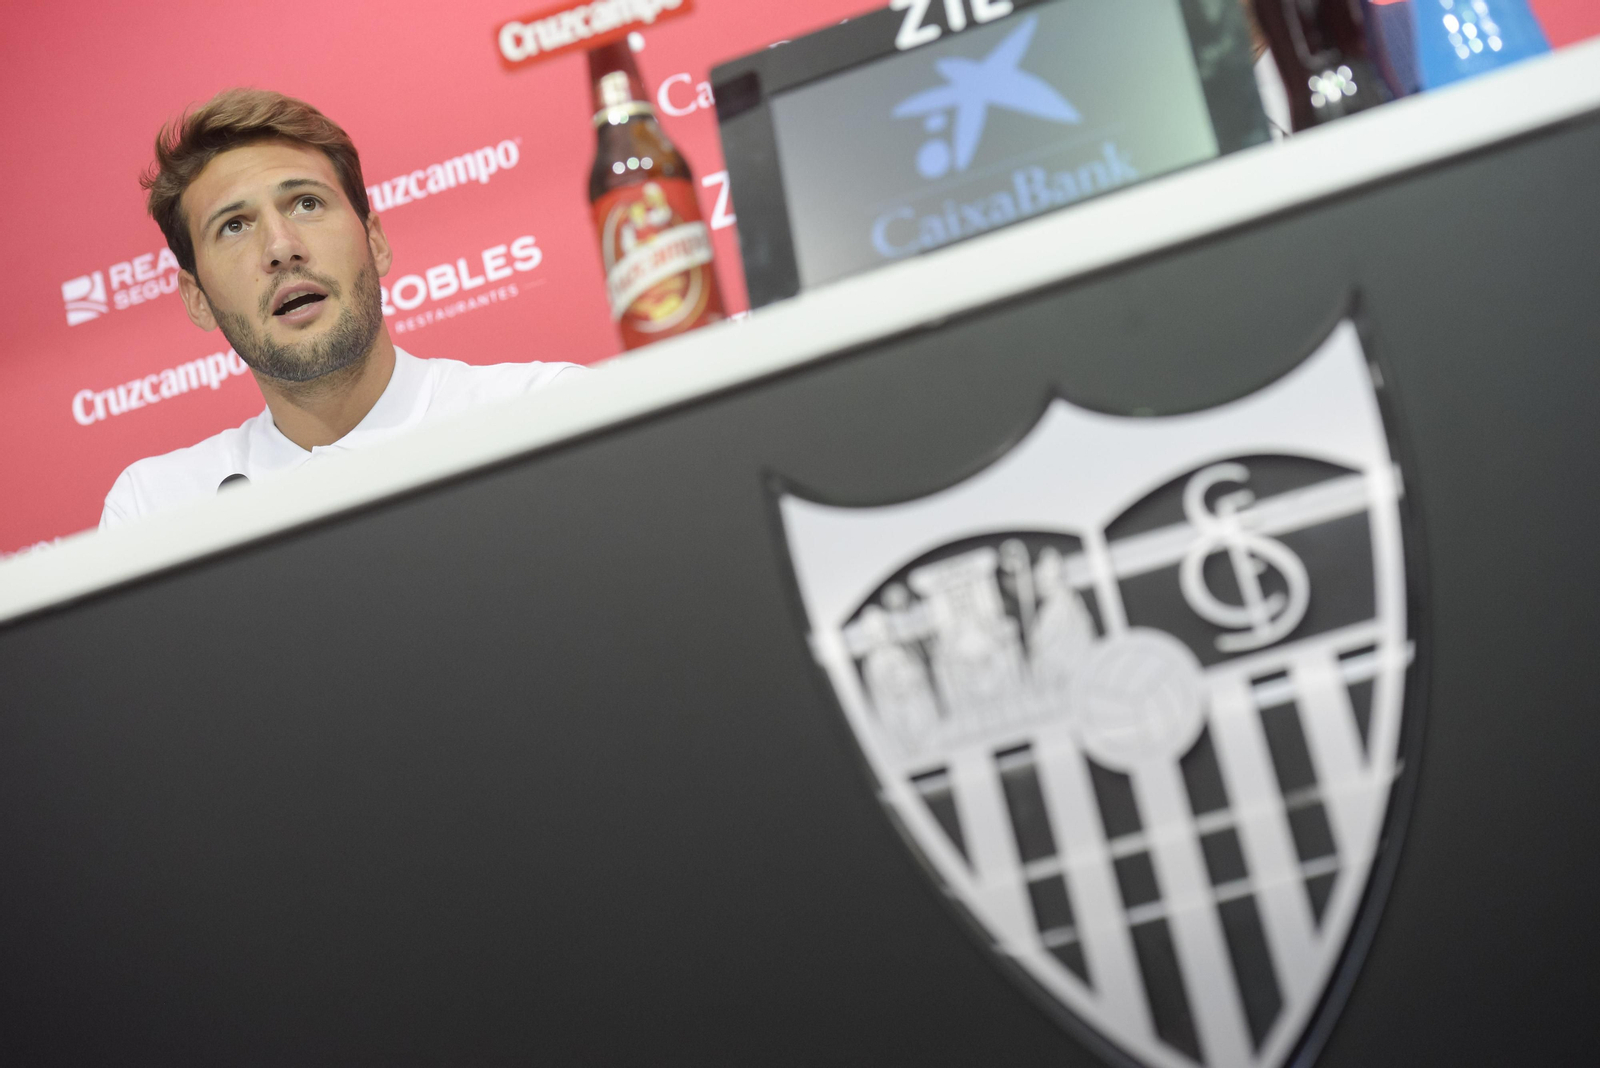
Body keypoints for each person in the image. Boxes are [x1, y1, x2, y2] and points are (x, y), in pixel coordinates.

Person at [99, 89, 585, 529]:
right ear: (197, 298)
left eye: (306, 203)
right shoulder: (154, 512)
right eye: (233, 226)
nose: (281, 247)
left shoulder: (547, 412)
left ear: (374, 242)